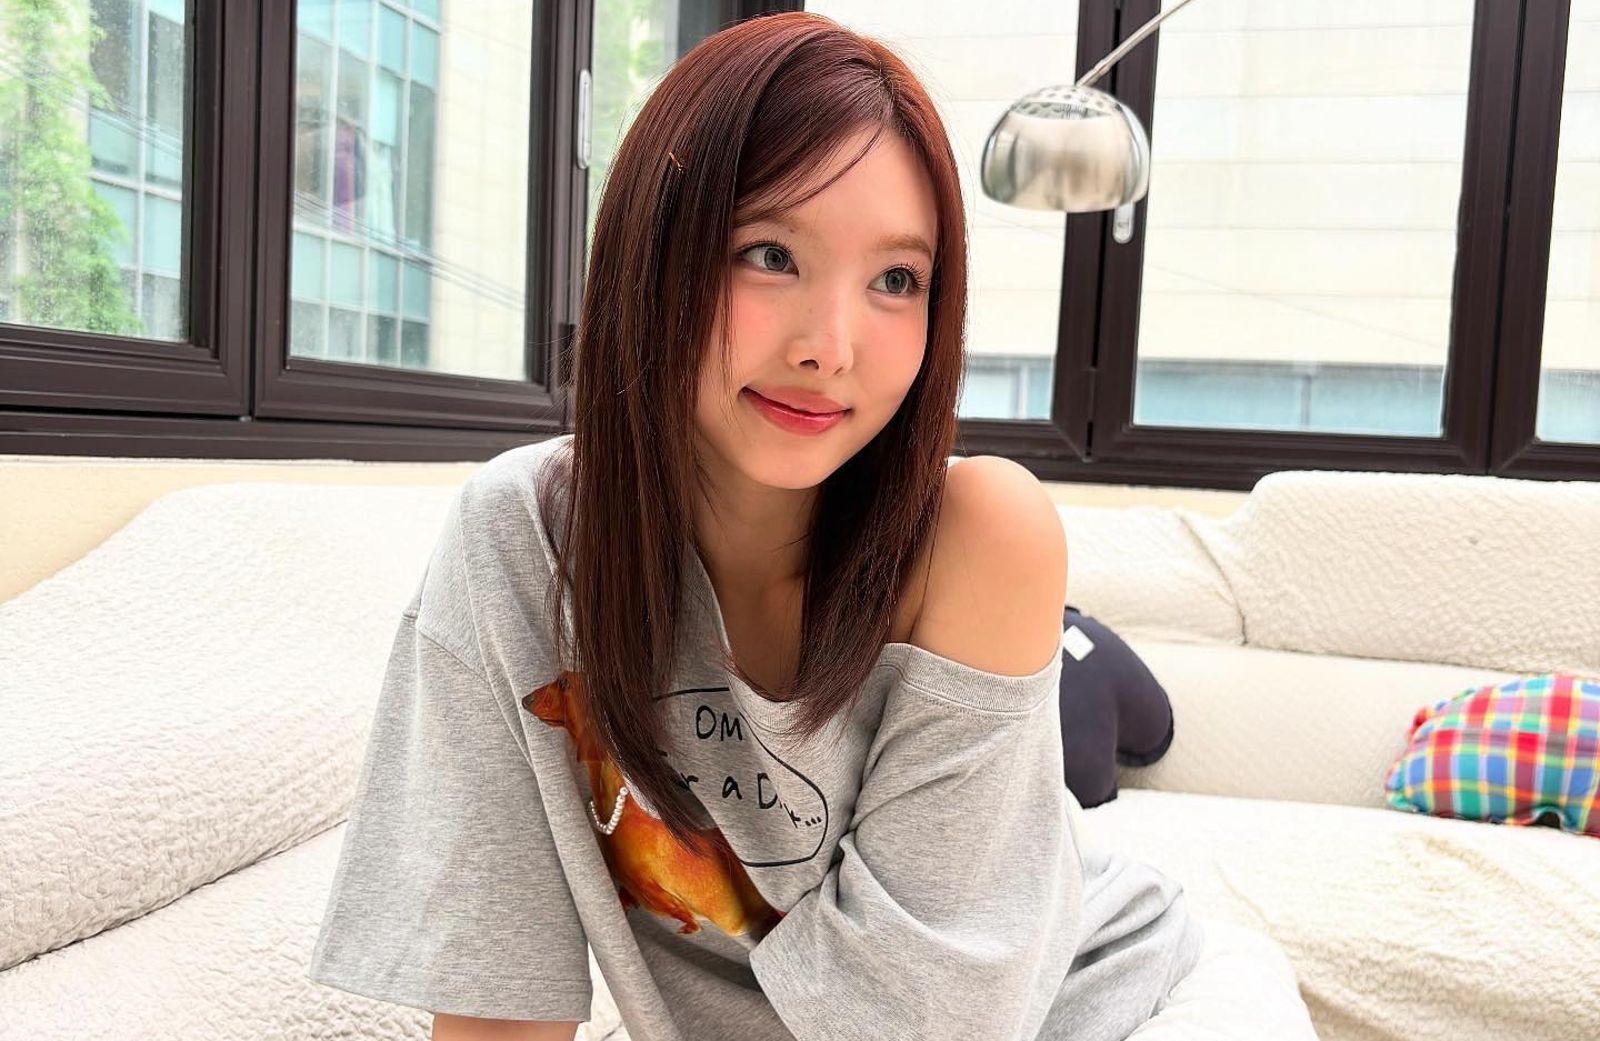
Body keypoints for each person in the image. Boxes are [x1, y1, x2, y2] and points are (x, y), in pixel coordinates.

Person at [306, 11, 1214, 1041]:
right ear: (653, 254)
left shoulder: (980, 533)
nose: (830, 347)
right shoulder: (524, 540)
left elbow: (929, 1022)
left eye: (896, 280)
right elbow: (496, 993)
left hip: (1108, 996)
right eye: (770, 254)